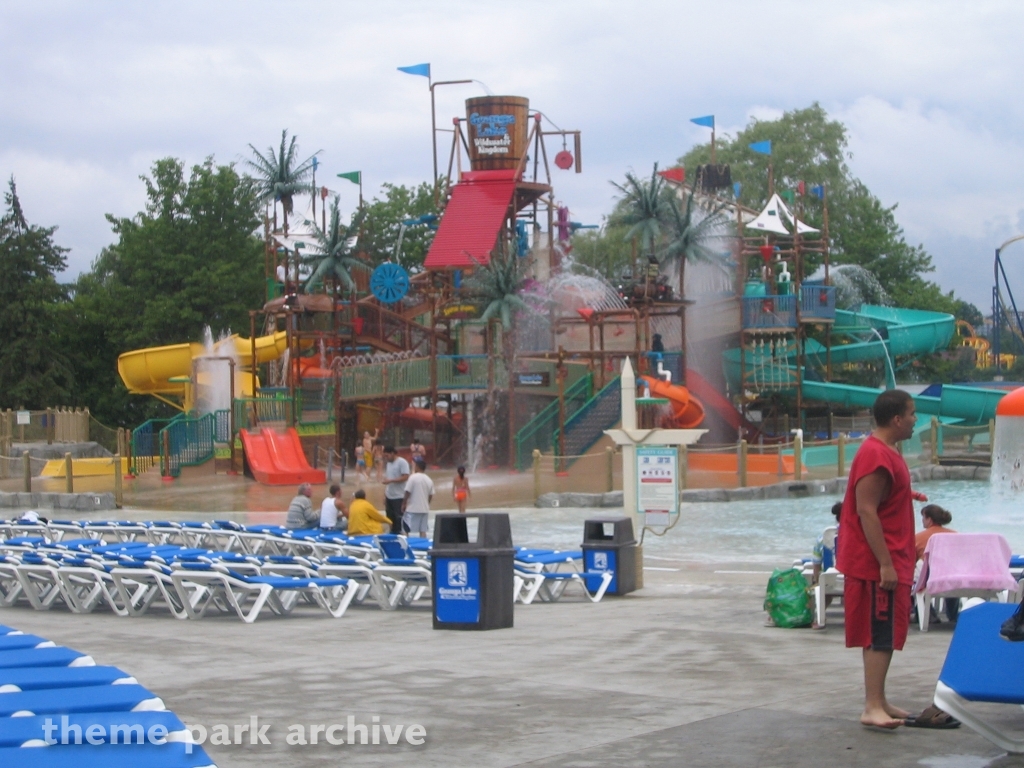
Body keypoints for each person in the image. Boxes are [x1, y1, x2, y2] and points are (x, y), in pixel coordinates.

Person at [836, 389, 918, 730]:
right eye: (912, 414)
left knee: (885, 629)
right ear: (897, 419)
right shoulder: (875, 454)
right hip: (877, 561)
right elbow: (866, 510)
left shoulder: (888, 451)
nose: (916, 420)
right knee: (879, 630)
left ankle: (879, 698)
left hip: (893, 554)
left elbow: (882, 499)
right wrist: (885, 563)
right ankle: (871, 705)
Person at [402, 459, 434, 538]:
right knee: (423, 530)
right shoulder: (429, 480)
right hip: (424, 509)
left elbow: (407, 492)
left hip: (412, 509)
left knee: (405, 529)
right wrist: (426, 503)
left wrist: (404, 503)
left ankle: (405, 545)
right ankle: (423, 545)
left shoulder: (413, 477)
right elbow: (431, 495)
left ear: (417, 467)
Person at [382, 446, 410, 535]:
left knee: (399, 518)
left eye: (387, 456)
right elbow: (388, 478)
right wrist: (385, 495)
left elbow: (406, 477)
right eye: (385, 456)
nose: (386, 458)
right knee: (389, 517)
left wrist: (391, 480)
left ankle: (402, 535)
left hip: (399, 496)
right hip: (389, 495)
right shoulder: (388, 464)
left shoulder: (402, 462)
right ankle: (392, 534)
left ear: (393, 453)